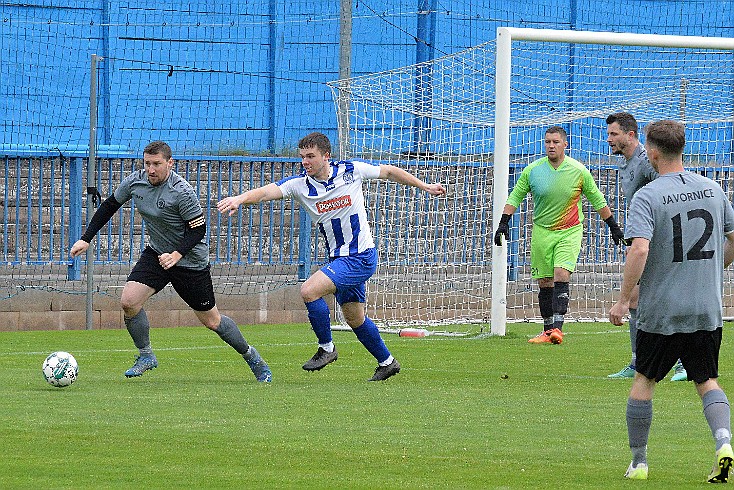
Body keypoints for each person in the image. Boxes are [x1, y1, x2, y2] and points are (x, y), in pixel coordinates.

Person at [217, 132, 446, 381]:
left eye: (311, 156)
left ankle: (327, 348)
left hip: (361, 256)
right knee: (354, 318)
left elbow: (389, 171)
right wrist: (239, 198)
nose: (305, 162)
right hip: (340, 260)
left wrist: (425, 186)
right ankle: (387, 362)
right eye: (302, 157)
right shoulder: (299, 185)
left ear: (326, 156)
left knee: (309, 290)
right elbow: (263, 193)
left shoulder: (351, 170)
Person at [70, 141, 272, 382]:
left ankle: (253, 358)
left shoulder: (182, 191)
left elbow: (198, 230)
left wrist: (177, 254)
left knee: (212, 321)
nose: (151, 169)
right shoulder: (136, 181)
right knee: (129, 301)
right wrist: (86, 239)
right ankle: (146, 355)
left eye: (157, 164)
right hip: (157, 254)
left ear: (170, 163)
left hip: (190, 262)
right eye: (147, 164)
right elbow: (110, 205)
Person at [609, 120, 734, 482]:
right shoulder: (712, 189)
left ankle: (639, 462)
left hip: (662, 310)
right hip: (705, 308)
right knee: (707, 380)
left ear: (651, 151)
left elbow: (640, 248)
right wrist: (714, 268)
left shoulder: (647, 196)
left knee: (644, 381)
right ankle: (723, 443)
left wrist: (621, 300)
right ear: (682, 148)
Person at [494, 126, 624, 344]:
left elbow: (597, 200)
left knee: (561, 274)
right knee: (545, 281)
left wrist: (613, 226)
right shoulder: (533, 170)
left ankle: (558, 329)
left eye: (555, 142)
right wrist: (503, 223)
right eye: (547, 142)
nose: (551, 146)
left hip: (569, 231)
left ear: (565, 144)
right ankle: (547, 331)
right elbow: (515, 196)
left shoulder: (578, 171)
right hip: (542, 232)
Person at [605, 112, 687, 381]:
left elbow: (670, 183)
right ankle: (638, 362)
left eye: (614, 134)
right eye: (608, 134)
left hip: (662, 242)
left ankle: (683, 363)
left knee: (668, 299)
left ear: (631, 135)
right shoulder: (627, 164)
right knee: (637, 300)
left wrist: (646, 239)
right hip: (647, 240)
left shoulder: (646, 161)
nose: (609, 139)